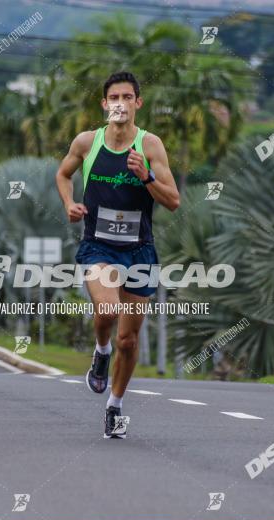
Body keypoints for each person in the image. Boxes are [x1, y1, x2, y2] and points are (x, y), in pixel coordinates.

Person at [55, 71, 180, 438]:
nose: (121, 104)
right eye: (114, 98)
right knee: (107, 310)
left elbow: (173, 201)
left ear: (138, 104)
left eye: (128, 97)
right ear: (104, 104)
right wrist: (69, 204)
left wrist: (146, 177)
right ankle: (100, 350)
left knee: (130, 338)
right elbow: (63, 175)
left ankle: (115, 405)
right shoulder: (87, 142)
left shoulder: (151, 146)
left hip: (140, 250)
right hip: (98, 245)